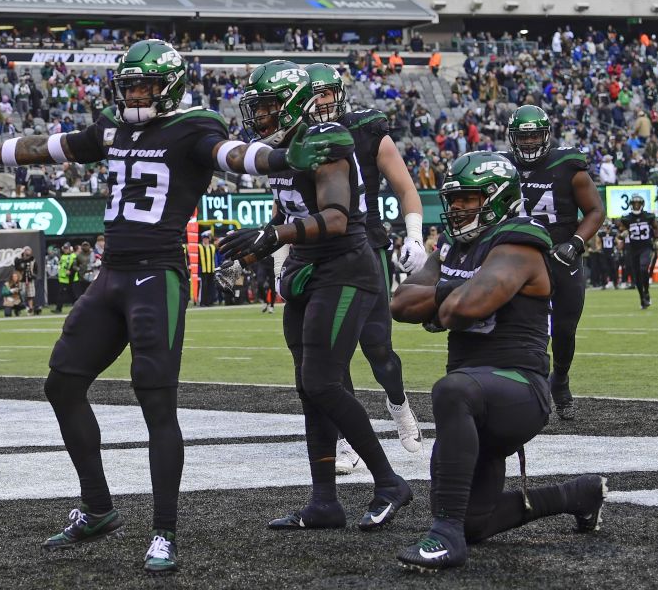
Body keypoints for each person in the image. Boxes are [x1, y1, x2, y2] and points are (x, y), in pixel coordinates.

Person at [0, 40, 339, 574]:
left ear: (167, 88)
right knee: (62, 383)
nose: (135, 94)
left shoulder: (194, 126)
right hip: (114, 272)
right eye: (129, 86)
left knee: (156, 403)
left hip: (157, 276)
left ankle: (164, 531)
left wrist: (281, 157)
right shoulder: (116, 129)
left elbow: (233, 155)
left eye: (144, 86)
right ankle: (98, 507)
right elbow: (50, 146)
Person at [218, 59, 412, 534]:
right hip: (308, 267)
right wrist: (250, 251)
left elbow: (337, 218)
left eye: (267, 106)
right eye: (257, 105)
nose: (259, 115)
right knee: (309, 387)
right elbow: (291, 211)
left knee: (325, 382)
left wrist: (270, 236)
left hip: (345, 266)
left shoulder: (327, 142)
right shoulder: (280, 146)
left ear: (292, 106)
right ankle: (324, 501)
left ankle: (389, 481)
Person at [389, 151, 607, 572]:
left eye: (467, 199)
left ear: (498, 197)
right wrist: (456, 290)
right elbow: (399, 303)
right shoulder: (455, 245)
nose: (456, 208)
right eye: (453, 200)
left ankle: (444, 537)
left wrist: (443, 295)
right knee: (477, 521)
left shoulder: (519, 243)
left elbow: (461, 310)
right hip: (477, 398)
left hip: (519, 388)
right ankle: (577, 494)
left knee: (451, 390)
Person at [303, 62, 426, 461]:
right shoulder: (297, 137)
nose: (320, 102)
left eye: (325, 93)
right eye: (313, 94)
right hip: (319, 251)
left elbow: (405, 186)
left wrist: (414, 234)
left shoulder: (367, 128)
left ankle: (399, 403)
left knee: (378, 349)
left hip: (365, 245)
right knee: (330, 352)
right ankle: (344, 436)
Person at [501, 105, 604, 420]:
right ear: (513, 138)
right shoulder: (502, 167)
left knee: (563, 329)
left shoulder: (567, 165)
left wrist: (575, 242)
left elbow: (595, 211)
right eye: (524, 136)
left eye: (535, 136)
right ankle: (524, 391)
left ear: (546, 135)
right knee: (521, 328)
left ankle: (560, 379)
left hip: (561, 255)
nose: (530, 142)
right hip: (521, 257)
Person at [617, 195, 658, 309]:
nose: (636, 206)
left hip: (646, 247)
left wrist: (657, 239)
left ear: (642, 204)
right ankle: (642, 299)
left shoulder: (648, 216)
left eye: (638, 204)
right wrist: (622, 235)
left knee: (643, 268)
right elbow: (619, 235)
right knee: (636, 276)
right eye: (634, 204)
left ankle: (646, 291)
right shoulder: (626, 218)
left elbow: (656, 228)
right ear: (631, 205)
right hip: (633, 249)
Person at [14, 247, 40, 315]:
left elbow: (35, 269)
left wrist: (33, 275)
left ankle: (30, 309)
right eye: (26, 254)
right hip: (21, 280)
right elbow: (17, 267)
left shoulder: (33, 260)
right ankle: (19, 309)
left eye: (29, 254)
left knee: (30, 295)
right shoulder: (19, 259)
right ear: (24, 252)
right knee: (21, 296)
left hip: (30, 280)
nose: (28, 256)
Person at [197, 233, 219, 306]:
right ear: (202, 239)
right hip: (203, 270)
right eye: (204, 239)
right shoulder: (199, 247)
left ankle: (209, 302)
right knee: (203, 287)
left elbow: (215, 258)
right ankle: (202, 302)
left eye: (207, 239)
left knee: (211, 286)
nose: (206, 240)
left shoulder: (212, 247)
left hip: (211, 269)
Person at [55, 241, 76, 313]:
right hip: (63, 278)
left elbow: (74, 265)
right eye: (64, 248)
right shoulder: (63, 256)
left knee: (71, 294)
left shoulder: (73, 256)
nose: (65, 249)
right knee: (64, 293)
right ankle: (58, 308)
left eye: (66, 248)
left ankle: (59, 308)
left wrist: (71, 271)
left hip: (70, 278)